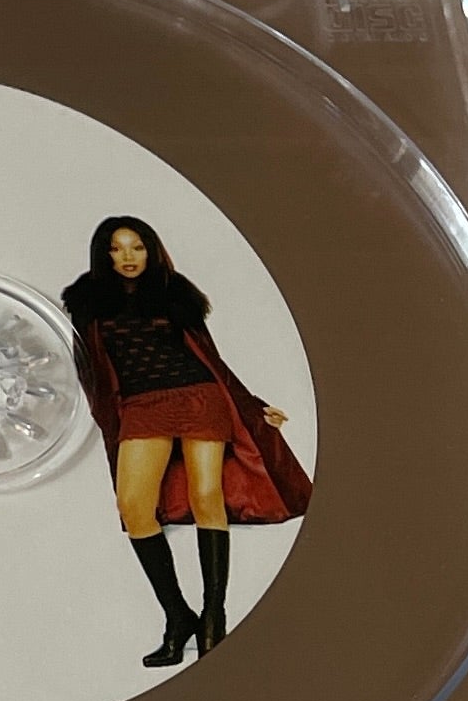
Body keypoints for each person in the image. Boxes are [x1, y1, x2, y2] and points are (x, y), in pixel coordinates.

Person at [63, 215, 311, 664]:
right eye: (117, 249)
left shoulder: (175, 292)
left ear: (151, 250)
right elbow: (89, 367)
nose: (128, 257)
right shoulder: (86, 300)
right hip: (141, 405)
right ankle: (178, 616)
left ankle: (214, 617)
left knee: (206, 497)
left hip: (199, 397)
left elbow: (210, 358)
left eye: (137, 247)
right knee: (134, 507)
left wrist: (252, 405)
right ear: (104, 255)